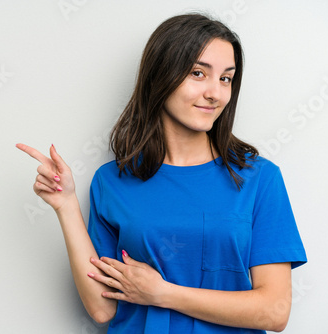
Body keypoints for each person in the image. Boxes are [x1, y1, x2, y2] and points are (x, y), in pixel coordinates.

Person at [16, 13, 307, 334]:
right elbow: (102, 308)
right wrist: (66, 205)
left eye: (226, 78)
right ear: (160, 77)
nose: (216, 92)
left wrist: (163, 294)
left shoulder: (258, 179)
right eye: (199, 73)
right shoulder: (112, 181)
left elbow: (274, 312)